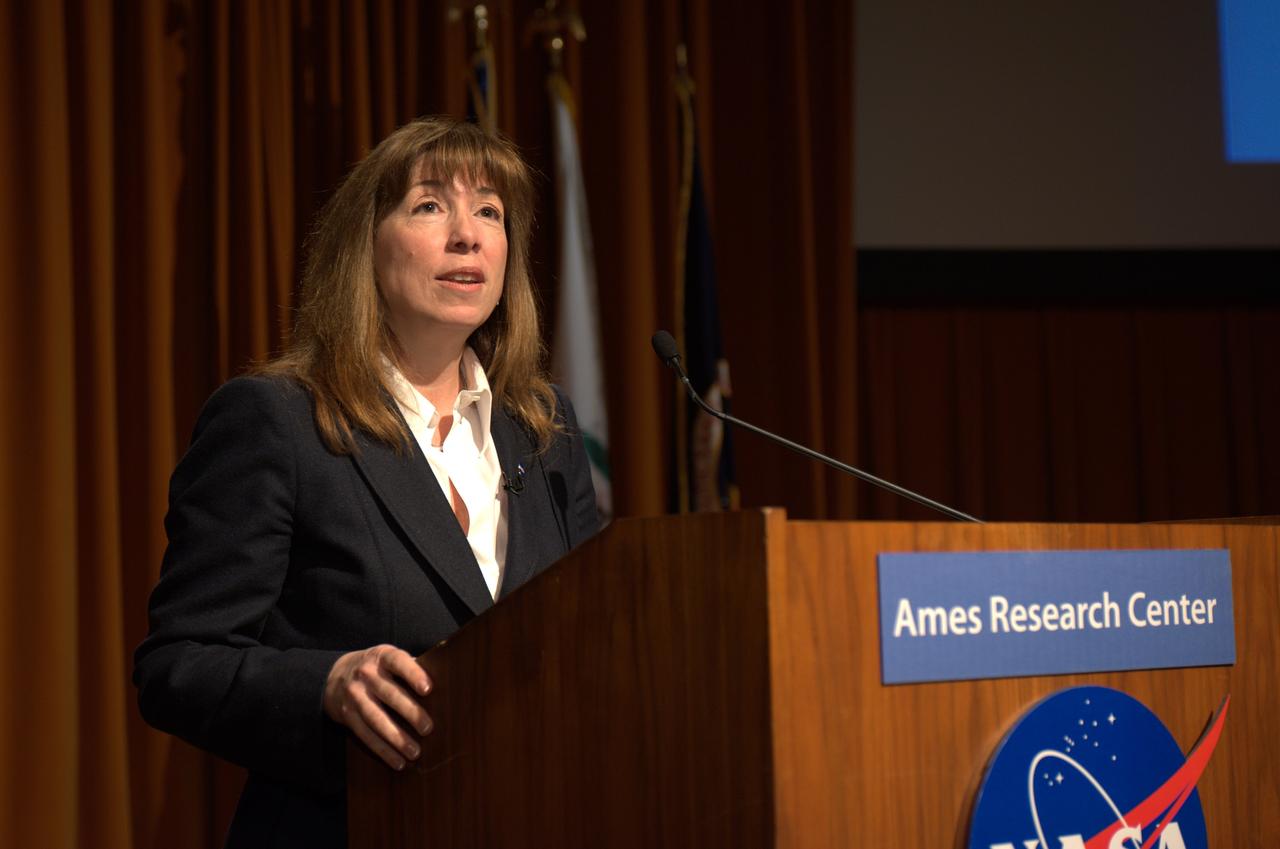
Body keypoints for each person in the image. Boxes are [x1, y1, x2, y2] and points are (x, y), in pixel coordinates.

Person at [134, 116, 601, 848]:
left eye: (489, 211)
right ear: (366, 244)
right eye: (429, 206)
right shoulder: (279, 422)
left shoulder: (546, 433)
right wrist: (324, 683)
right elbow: (179, 665)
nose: (468, 234)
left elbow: (591, 645)